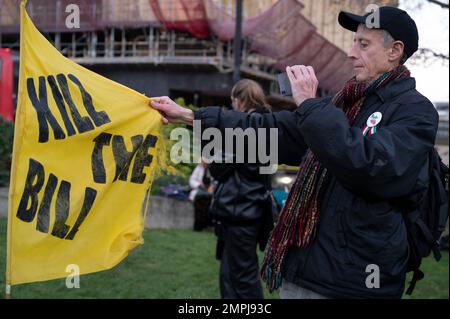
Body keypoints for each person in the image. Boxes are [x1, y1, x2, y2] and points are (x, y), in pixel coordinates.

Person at [151, 7, 439, 299]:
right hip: (303, 272)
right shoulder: (343, 104)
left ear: (395, 51)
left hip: (353, 284)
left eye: (363, 44)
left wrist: (310, 106)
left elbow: (370, 167)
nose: (351, 53)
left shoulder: (416, 111)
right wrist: (191, 117)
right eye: (354, 42)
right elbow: (266, 129)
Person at [206, 79, 275, 299]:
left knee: (240, 278)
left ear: (238, 99)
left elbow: (218, 167)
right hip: (250, 209)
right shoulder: (267, 123)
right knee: (236, 275)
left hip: (239, 210)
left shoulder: (246, 124)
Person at [189, 159, 213, 231]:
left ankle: (208, 224)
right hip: (200, 191)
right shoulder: (198, 169)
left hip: (210, 192)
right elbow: (192, 180)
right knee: (200, 204)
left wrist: (211, 188)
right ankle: (199, 226)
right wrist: (199, 186)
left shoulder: (212, 170)